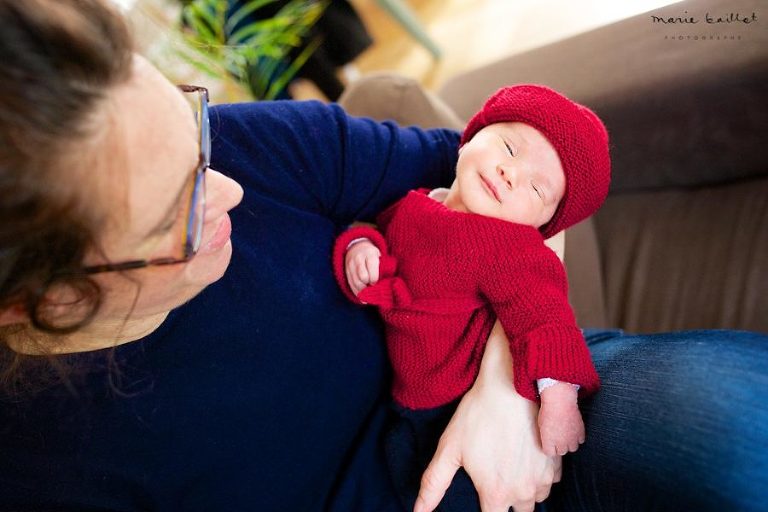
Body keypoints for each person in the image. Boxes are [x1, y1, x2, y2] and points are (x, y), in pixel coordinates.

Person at [0, 1, 766, 512]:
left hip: (515, 390)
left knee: (726, 439)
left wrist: (502, 393)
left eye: (195, 135)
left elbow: (531, 197)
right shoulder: (40, 468)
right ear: (51, 300)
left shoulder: (253, 150)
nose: (232, 190)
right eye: (178, 215)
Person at [332, 84, 610, 511]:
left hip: (456, 401)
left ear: (542, 226)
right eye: (509, 148)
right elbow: (377, 230)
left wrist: (558, 398)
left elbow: (546, 317)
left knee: (455, 494)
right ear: (470, 136)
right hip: (404, 400)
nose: (510, 174)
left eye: (536, 190)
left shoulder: (510, 247)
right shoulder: (417, 202)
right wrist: (361, 247)